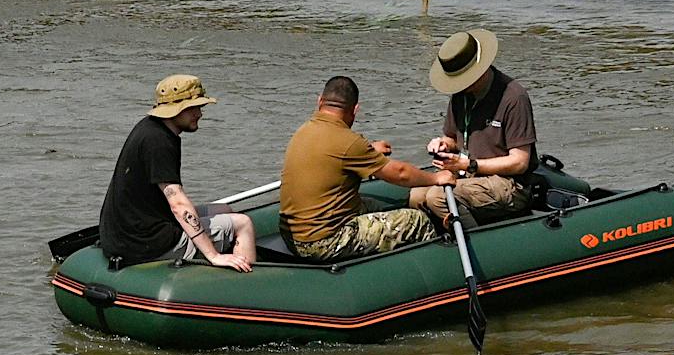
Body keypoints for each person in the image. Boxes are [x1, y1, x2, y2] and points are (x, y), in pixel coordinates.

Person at [279, 75, 451, 261]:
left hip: (292, 236)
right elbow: (399, 173)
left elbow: (337, 154)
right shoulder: (349, 143)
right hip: (323, 241)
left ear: (319, 101)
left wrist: (369, 150)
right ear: (355, 109)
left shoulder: (303, 131)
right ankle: (438, 265)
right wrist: (436, 178)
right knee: (417, 221)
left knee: (376, 207)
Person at [98, 73, 254, 272]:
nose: (200, 113)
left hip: (133, 231)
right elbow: (178, 204)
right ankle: (244, 289)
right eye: (193, 108)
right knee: (243, 224)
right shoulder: (159, 143)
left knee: (224, 209)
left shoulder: (149, 127)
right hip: (146, 243)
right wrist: (213, 256)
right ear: (176, 110)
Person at [410, 29, 538, 226]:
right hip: (470, 175)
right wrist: (442, 145)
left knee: (438, 196)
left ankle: (475, 243)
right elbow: (452, 139)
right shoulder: (461, 96)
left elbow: (520, 162)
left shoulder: (513, 97)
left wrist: (470, 165)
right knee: (417, 195)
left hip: (509, 183)